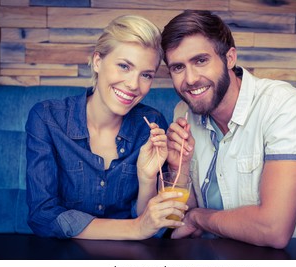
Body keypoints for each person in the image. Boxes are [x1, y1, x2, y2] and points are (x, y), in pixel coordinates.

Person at [162, 10, 296, 249]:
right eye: (178, 67)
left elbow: (273, 230)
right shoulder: (183, 112)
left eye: (201, 60)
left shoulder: (284, 105)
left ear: (230, 58)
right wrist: (178, 169)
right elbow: (182, 219)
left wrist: (198, 218)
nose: (190, 79)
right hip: (209, 257)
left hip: (278, 261)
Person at [25, 15, 188, 240]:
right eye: (124, 66)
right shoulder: (47, 118)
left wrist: (147, 179)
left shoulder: (151, 125)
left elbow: (152, 225)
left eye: (146, 75)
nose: (133, 85)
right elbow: (42, 216)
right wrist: (135, 229)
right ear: (98, 61)